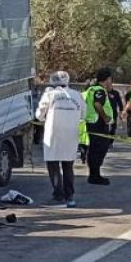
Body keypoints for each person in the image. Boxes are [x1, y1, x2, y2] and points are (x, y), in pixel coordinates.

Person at [36, 71, 85, 207]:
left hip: (54, 134)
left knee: (53, 164)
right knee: (68, 165)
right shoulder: (77, 95)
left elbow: (39, 115)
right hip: (71, 134)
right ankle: (70, 197)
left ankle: (58, 196)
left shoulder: (50, 94)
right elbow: (83, 114)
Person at [82, 68, 114, 185]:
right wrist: (105, 117)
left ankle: (94, 174)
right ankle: (95, 176)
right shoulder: (100, 90)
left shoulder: (91, 89)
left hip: (91, 123)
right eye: (110, 79)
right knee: (99, 150)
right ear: (107, 79)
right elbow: (97, 104)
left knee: (93, 151)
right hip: (98, 124)